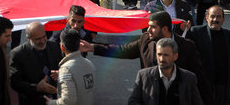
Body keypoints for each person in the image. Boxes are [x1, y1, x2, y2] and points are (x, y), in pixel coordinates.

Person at [82, 11, 211, 102]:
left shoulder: (187, 46)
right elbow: (124, 50)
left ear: (165, 29)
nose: (148, 30)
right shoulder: (146, 41)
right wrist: (93, 47)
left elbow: (199, 77)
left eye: (153, 27)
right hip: (151, 97)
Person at [187, 5, 230, 105]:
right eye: (212, 16)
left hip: (224, 87)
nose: (215, 19)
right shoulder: (196, 33)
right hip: (205, 86)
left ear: (223, 19)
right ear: (207, 18)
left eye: (218, 17)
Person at [127, 38, 203, 105]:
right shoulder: (144, 76)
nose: (162, 59)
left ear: (175, 56)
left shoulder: (189, 78)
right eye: (159, 54)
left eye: (166, 55)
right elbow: (133, 102)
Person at [10, 21, 62, 105]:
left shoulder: (53, 46)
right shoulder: (18, 54)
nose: (42, 41)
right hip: (32, 100)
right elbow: (14, 83)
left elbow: (62, 67)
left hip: (55, 99)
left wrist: (60, 73)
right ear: (28, 38)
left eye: (44, 37)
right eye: (38, 39)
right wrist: (36, 88)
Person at [47, 28, 95, 105]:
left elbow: (68, 101)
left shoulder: (66, 69)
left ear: (62, 47)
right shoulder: (89, 64)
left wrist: (50, 102)